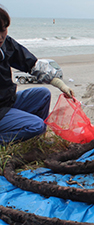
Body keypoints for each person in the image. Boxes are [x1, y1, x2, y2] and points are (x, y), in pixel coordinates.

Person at [0, 6, 74, 144]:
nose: (0, 37)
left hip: (7, 102)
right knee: (36, 125)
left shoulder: (6, 44)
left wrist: (61, 85)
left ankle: (33, 140)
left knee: (42, 94)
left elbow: (33, 64)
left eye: (3, 29)